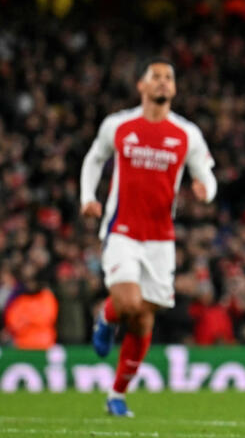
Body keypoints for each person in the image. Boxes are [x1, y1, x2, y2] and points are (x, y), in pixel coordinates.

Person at [80, 58, 217, 417]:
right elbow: (94, 159)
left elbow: (206, 172)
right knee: (127, 302)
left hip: (160, 239)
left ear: (174, 88)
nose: (162, 82)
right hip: (121, 229)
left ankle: (117, 395)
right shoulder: (119, 125)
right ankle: (107, 316)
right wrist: (87, 197)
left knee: (143, 319)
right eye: (155, 77)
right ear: (141, 85)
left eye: (168, 77)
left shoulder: (186, 132)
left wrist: (206, 189)